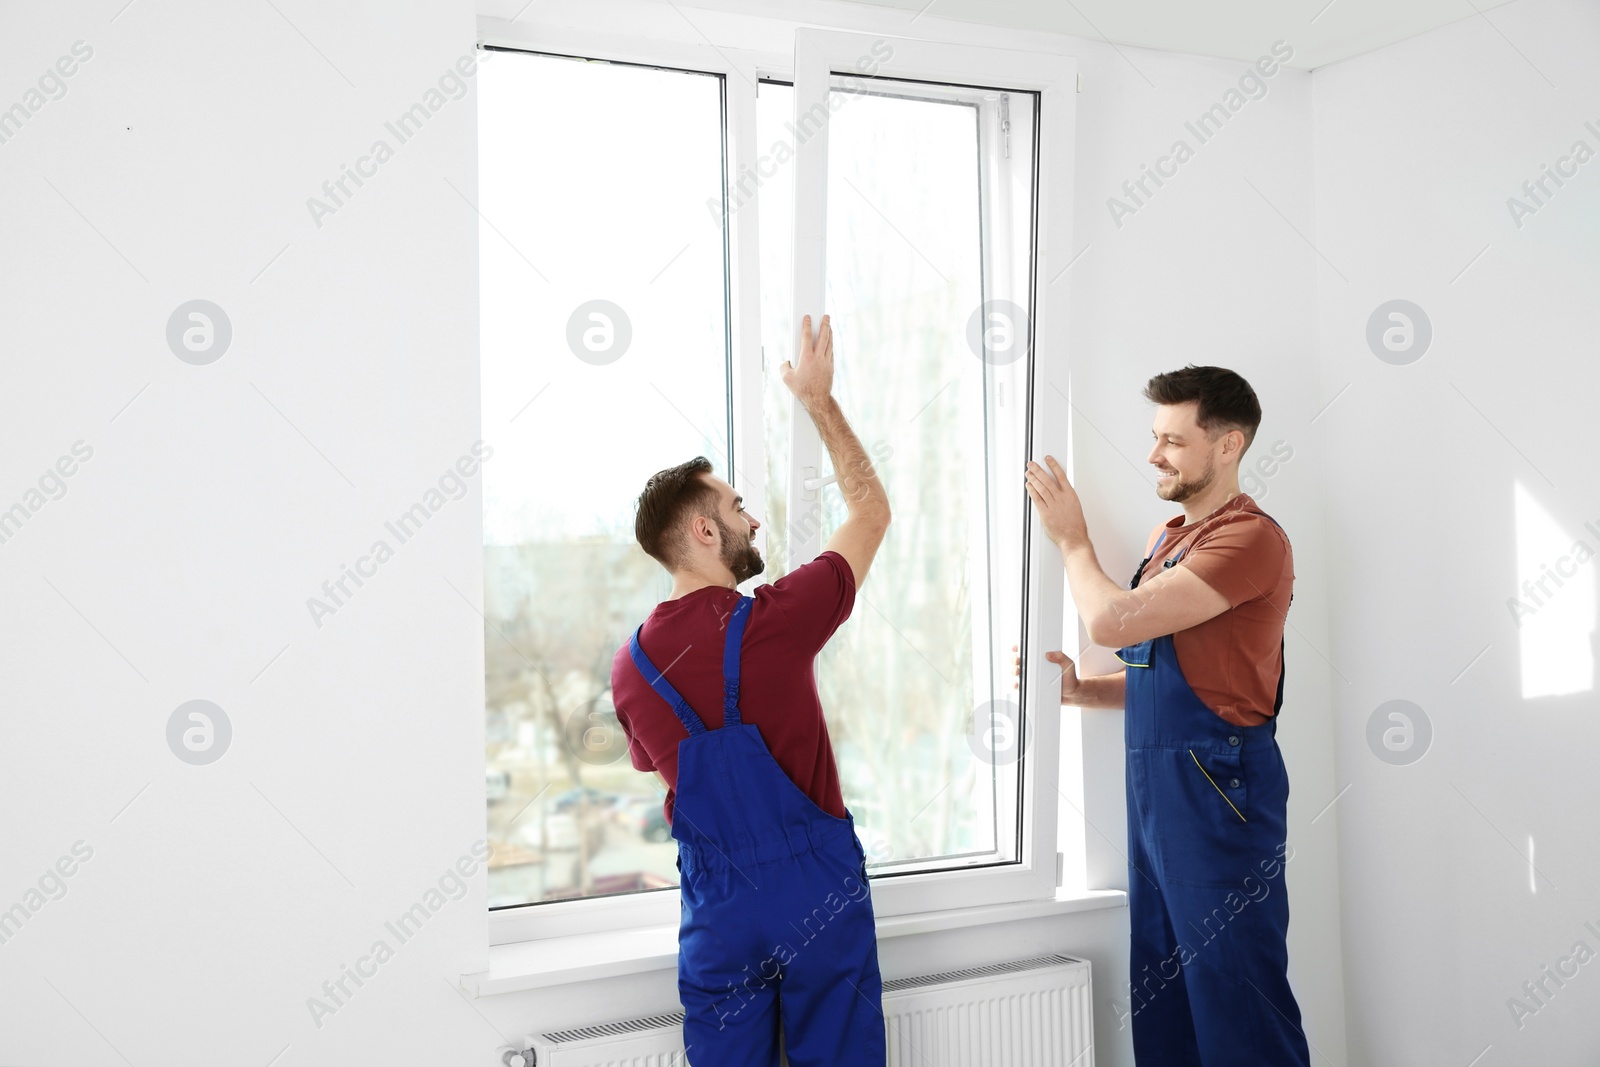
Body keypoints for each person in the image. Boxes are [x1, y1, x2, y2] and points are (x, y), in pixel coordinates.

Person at [610, 314, 891, 1067]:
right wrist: (819, 403)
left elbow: (654, 763)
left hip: (718, 912)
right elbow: (871, 513)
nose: (752, 517)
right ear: (703, 532)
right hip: (815, 892)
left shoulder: (629, 667)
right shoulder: (776, 619)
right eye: (737, 507)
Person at [1022, 365, 1311, 1067]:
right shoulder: (1169, 538)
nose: (1153, 454)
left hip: (1218, 795)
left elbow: (1114, 621)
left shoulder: (1248, 541)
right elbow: (1172, 674)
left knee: (1238, 1001)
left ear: (1228, 445)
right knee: (1166, 1001)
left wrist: (1072, 540)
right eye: (1154, 437)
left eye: (1173, 440)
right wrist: (1082, 691)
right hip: (1157, 798)